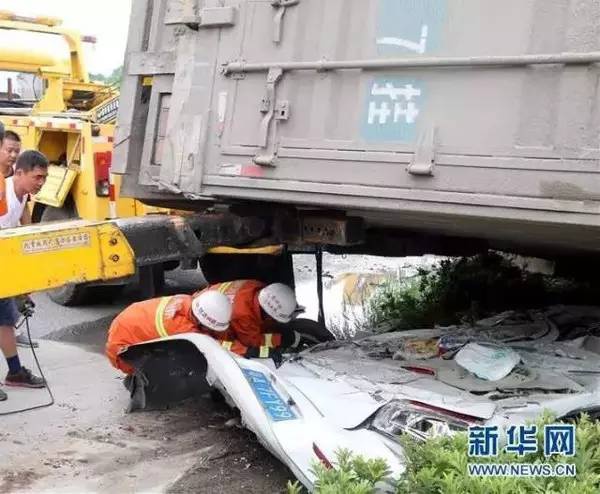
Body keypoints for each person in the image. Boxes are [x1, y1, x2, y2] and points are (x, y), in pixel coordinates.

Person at [0, 149, 49, 399]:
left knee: (5, 321)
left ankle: (15, 372)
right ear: (19, 173)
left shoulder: (22, 198)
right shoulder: (3, 192)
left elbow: (20, 240)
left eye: (44, 178)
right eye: (37, 177)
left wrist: (22, 289)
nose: (40, 183)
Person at [106, 291, 234, 375]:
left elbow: (210, 331)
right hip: (121, 351)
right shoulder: (180, 328)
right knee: (191, 362)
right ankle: (144, 378)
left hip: (126, 323)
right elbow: (212, 348)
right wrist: (242, 350)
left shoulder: (186, 300)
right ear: (201, 322)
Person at [196, 280, 302, 362]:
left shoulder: (257, 288)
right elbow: (251, 342)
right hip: (206, 323)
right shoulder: (243, 314)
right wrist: (280, 339)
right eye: (275, 319)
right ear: (268, 314)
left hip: (204, 301)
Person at [0, 130, 36, 347]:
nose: (13, 155)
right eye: (9, 150)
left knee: (15, 290)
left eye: (16, 151)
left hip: (12, 241)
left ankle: (10, 331)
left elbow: (24, 207)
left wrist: (29, 234)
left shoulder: (17, 175)